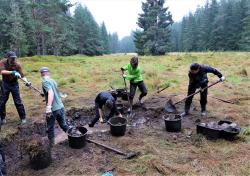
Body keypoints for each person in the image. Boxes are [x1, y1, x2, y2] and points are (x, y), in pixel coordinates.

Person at [40, 67, 69, 146]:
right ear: (48, 73)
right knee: (63, 124)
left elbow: (51, 93)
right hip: (61, 107)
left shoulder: (45, 82)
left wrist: (48, 107)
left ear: (41, 74)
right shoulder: (53, 81)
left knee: (50, 127)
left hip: (53, 109)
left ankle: (52, 145)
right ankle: (73, 135)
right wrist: (45, 94)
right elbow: (56, 92)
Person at [0, 51, 30, 125]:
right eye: (12, 58)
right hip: (5, 84)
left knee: (18, 102)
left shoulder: (17, 65)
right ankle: (2, 118)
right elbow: (2, 72)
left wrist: (27, 82)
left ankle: (23, 118)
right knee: (2, 101)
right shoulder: (3, 62)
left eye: (14, 58)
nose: (13, 59)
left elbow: (22, 76)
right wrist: (13, 72)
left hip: (14, 85)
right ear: (8, 58)